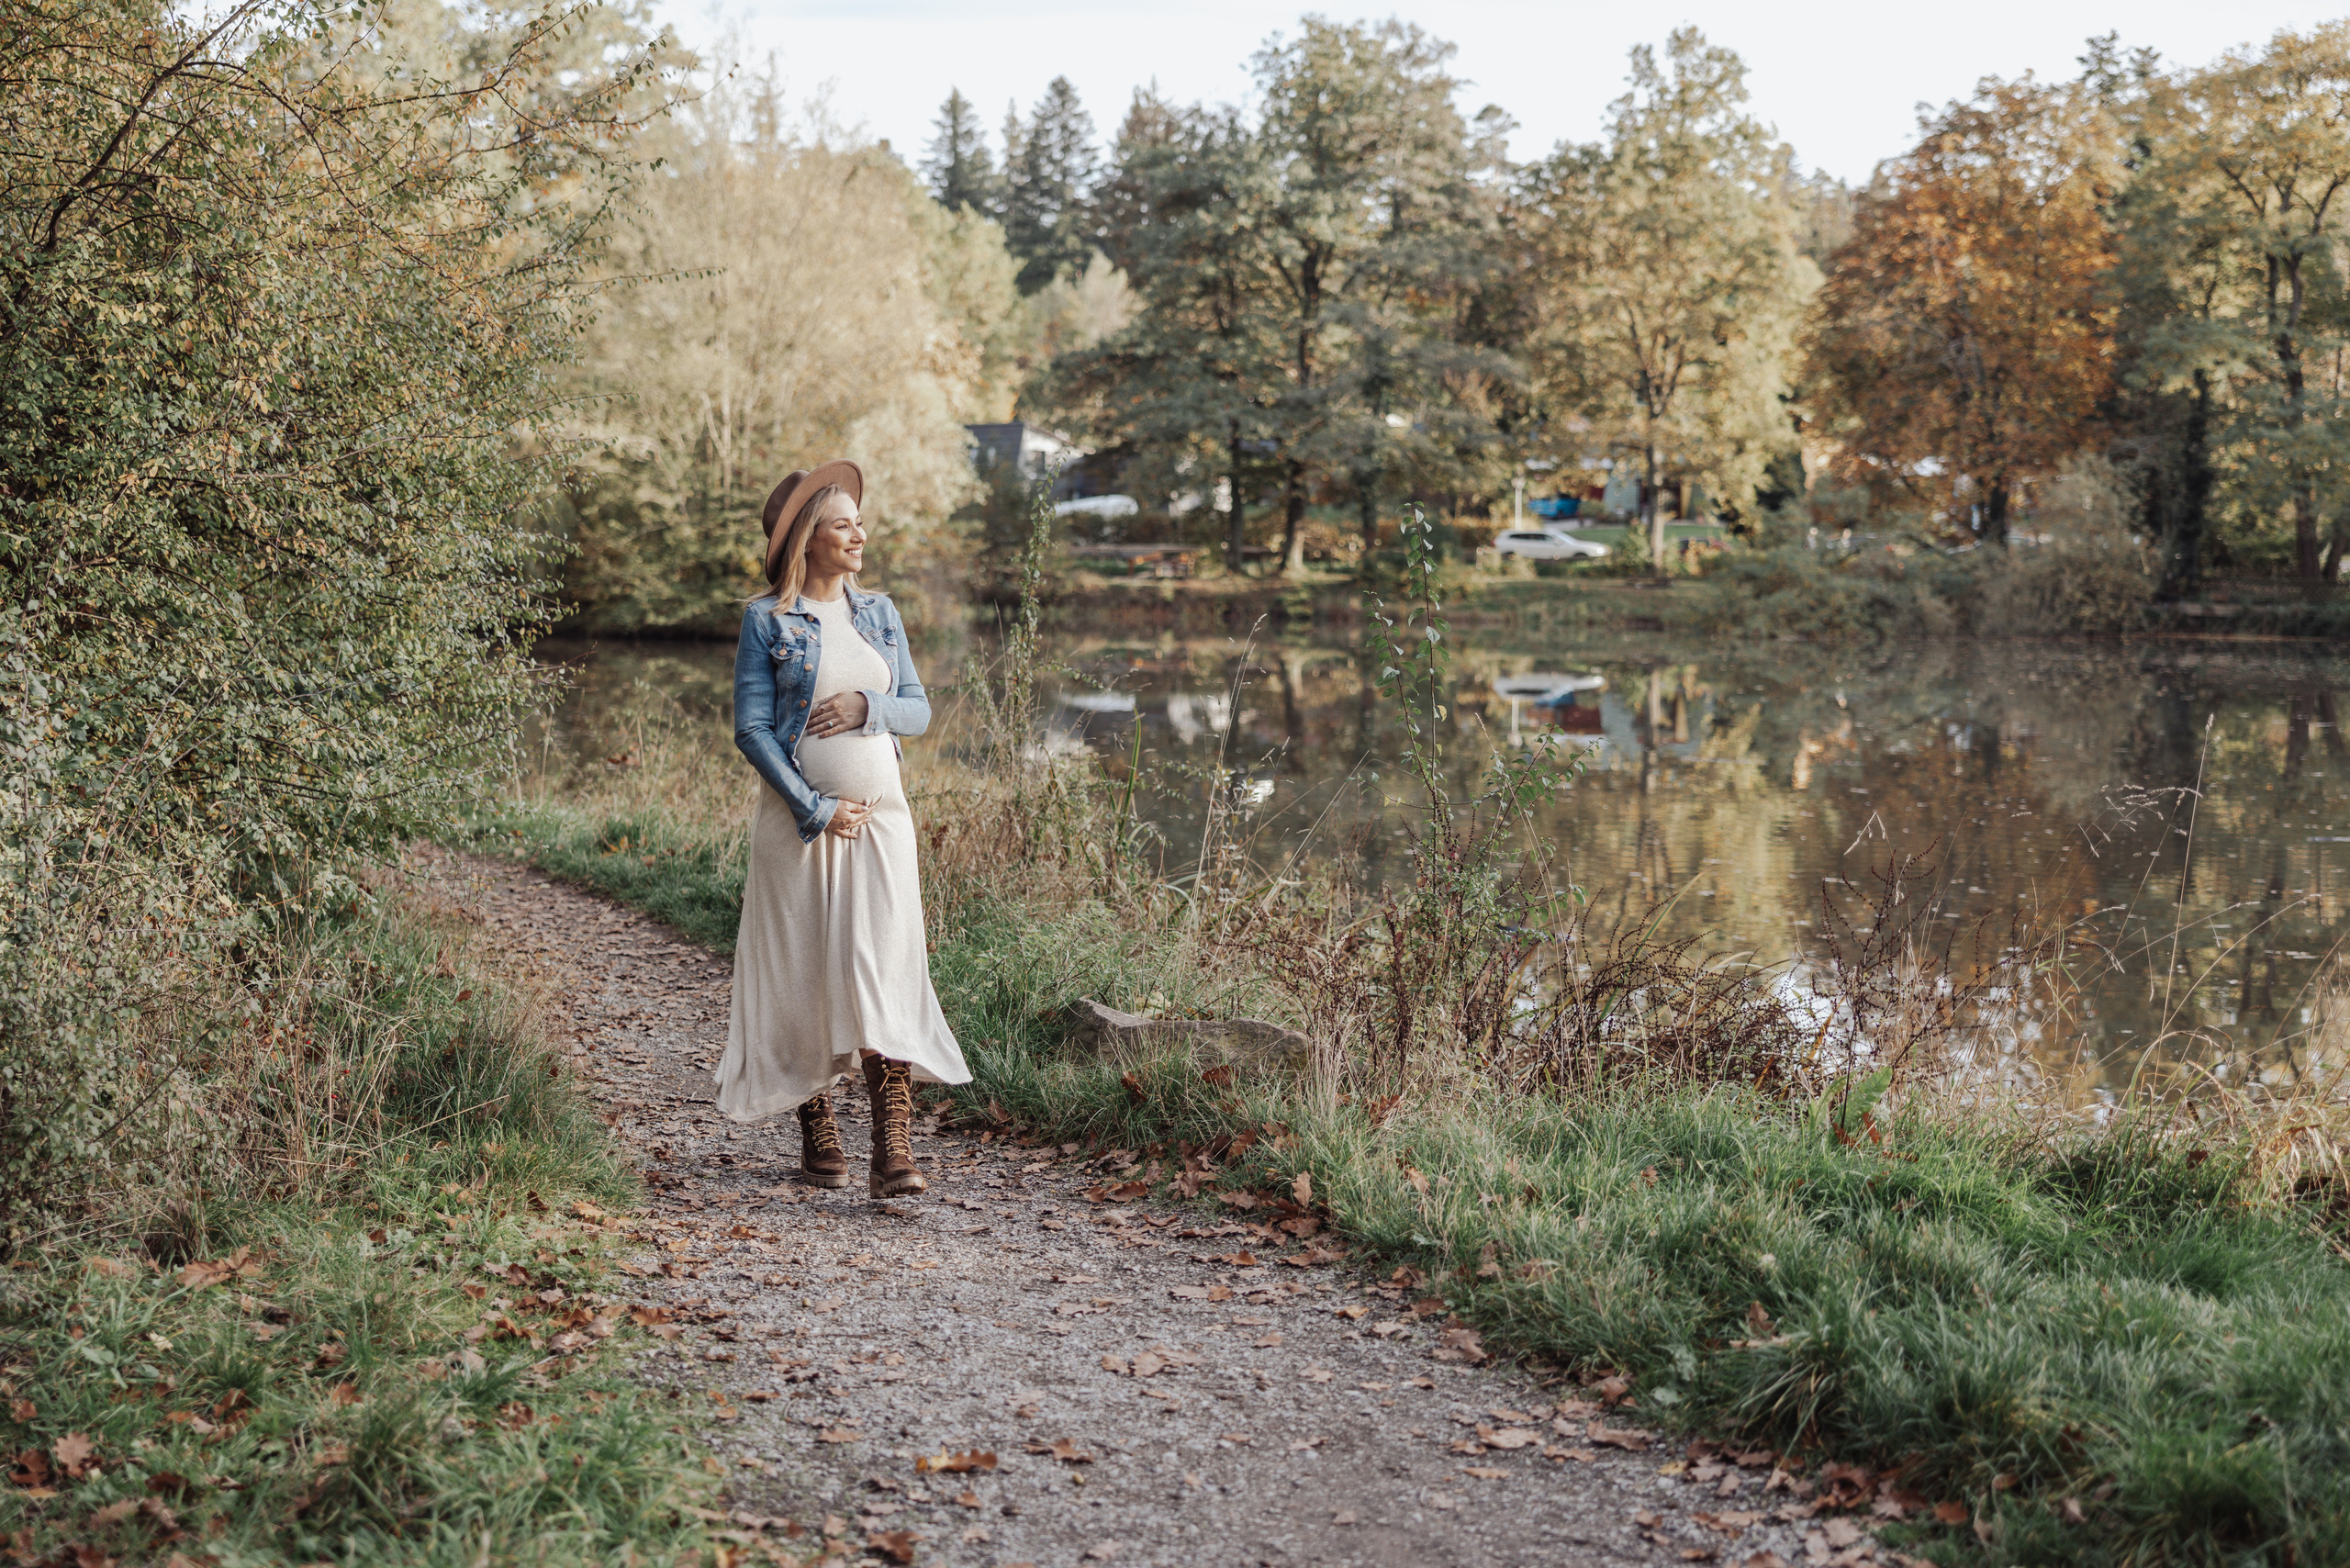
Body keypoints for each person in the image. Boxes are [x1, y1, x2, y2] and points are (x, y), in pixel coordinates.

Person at [714, 461, 969, 1196]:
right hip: (801, 828)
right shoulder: (768, 620)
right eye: (844, 523)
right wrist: (816, 808)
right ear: (807, 538)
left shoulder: (880, 613)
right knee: (804, 974)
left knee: (880, 967)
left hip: (883, 826)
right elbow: (753, 729)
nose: (861, 533)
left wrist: (868, 706)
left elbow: (917, 709)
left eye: (859, 520)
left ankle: (893, 1147)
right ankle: (817, 1128)